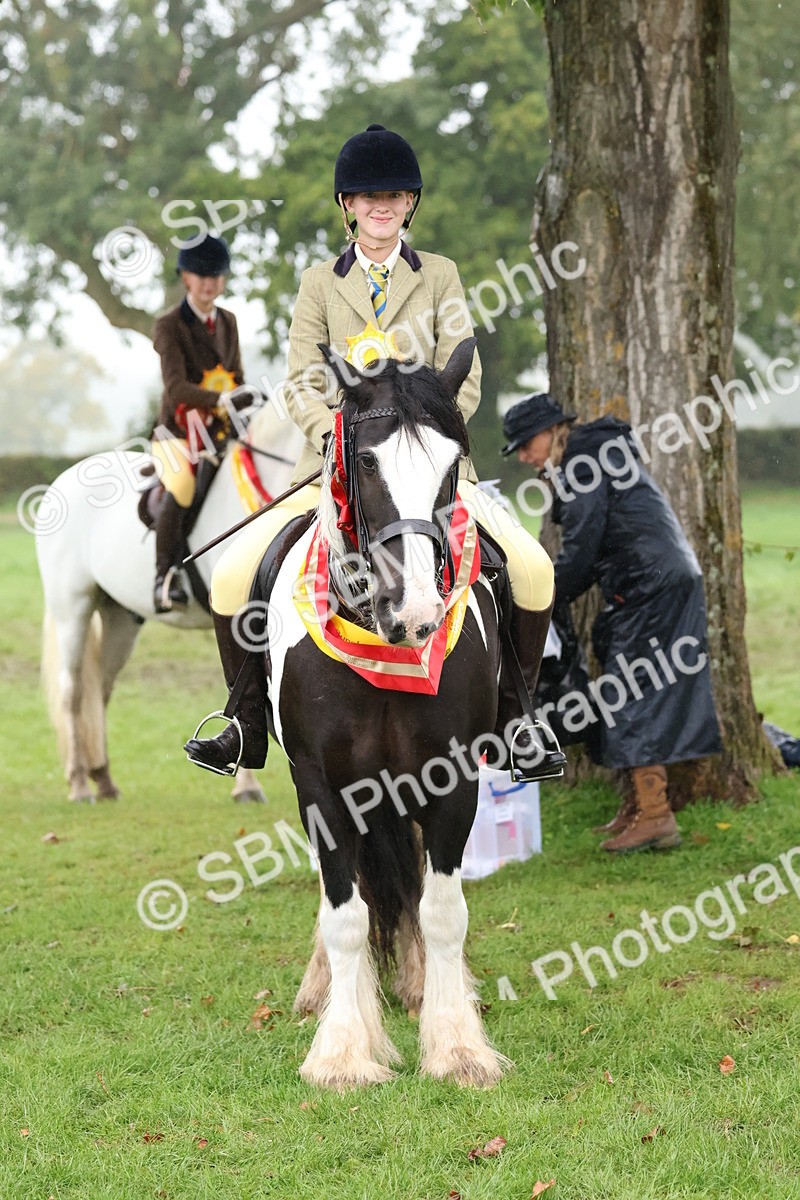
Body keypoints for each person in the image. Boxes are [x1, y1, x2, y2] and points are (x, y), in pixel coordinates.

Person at [185, 123, 562, 780]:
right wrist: (338, 437)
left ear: (409, 203)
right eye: (367, 196)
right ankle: (244, 722)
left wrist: (425, 435)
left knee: (530, 568)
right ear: (347, 206)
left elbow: (462, 372)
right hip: (333, 469)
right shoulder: (318, 284)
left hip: (429, 469)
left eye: (392, 195)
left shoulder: (440, 276)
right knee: (229, 576)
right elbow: (302, 376)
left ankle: (517, 720)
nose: (381, 206)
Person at [502, 394, 723, 853]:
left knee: (634, 693)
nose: (524, 456)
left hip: (651, 586)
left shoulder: (584, 461)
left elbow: (581, 550)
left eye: (527, 443)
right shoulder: (593, 456)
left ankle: (657, 816)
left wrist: (538, 596)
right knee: (626, 686)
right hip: (654, 582)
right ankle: (639, 808)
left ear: (553, 430)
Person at [150, 233, 244, 612]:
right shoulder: (169, 325)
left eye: (217, 275)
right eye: (202, 275)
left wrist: (244, 399)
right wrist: (220, 398)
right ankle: (164, 576)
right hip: (176, 432)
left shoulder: (229, 321)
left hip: (220, 432)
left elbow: (236, 375)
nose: (210, 283)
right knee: (183, 484)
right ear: (186, 278)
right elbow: (175, 388)